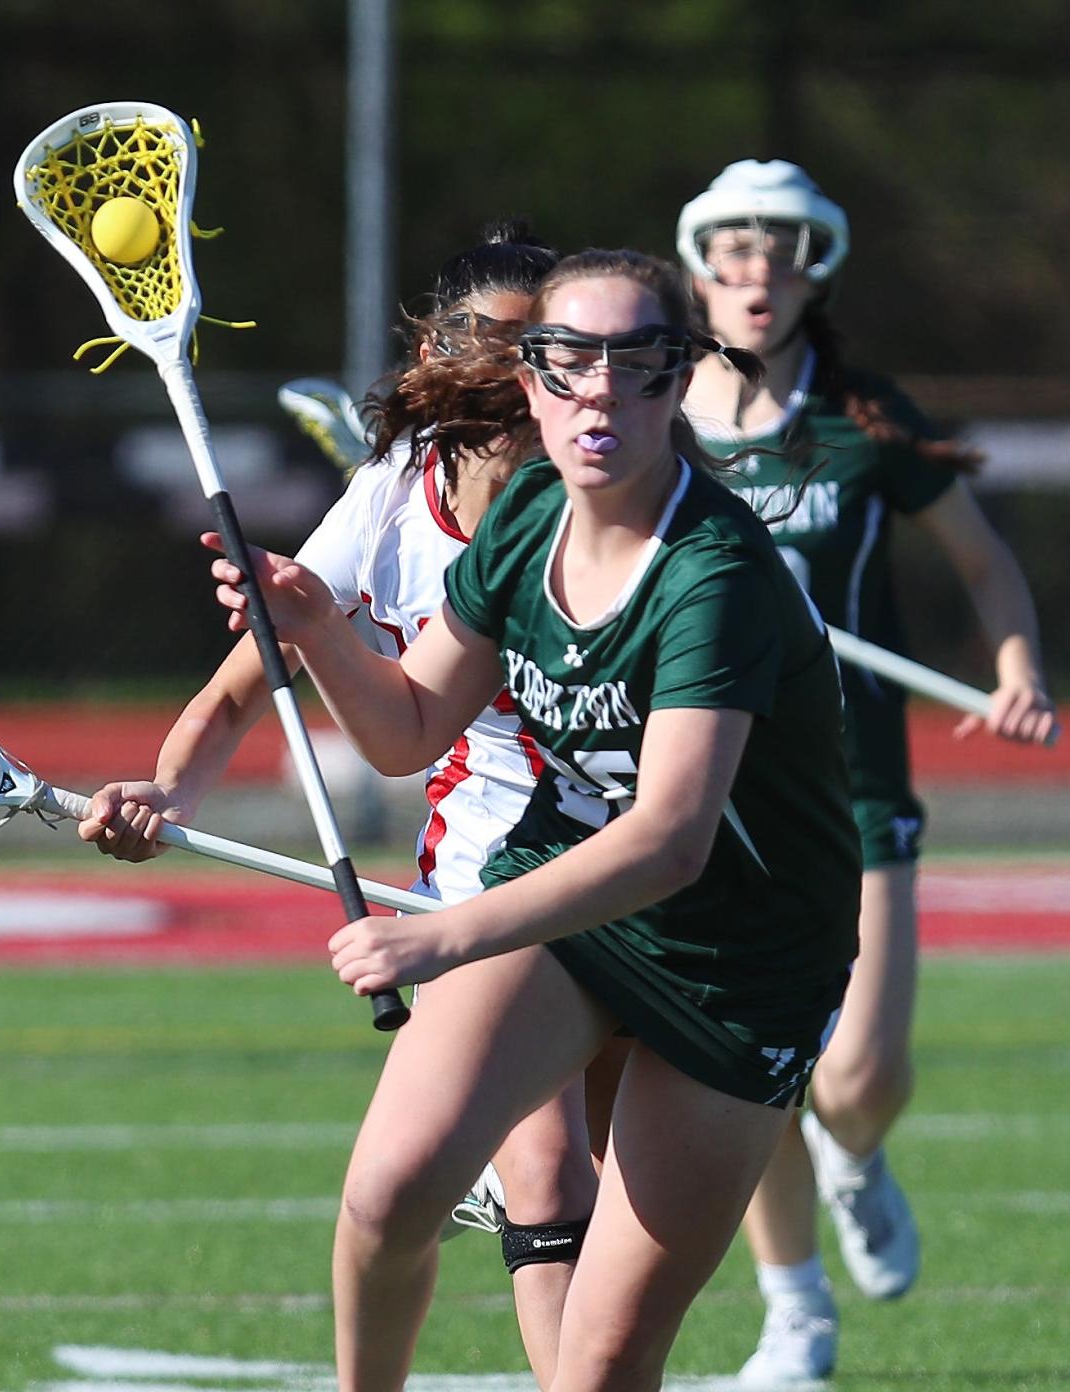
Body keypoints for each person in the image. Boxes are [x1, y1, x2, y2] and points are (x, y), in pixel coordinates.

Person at [206, 248, 863, 1391]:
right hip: (571, 900)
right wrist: (316, 628)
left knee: (600, 1368)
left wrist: (443, 935)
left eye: (637, 364)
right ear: (531, 381)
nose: (599, 392)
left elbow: (669, 840)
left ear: (678, 381)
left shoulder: (716, 575)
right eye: (568, 364)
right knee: (390, 1191)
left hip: (741, 963)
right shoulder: (530, 522)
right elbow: (409, 727)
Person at [79, 221, 612, 1389]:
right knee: (538, 1176)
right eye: (503, 348)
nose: (530, 382)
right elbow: (240, 696)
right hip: (495, 865)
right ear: (443, 347)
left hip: (641, 868)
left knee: (605, 1194)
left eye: (555, 353)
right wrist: (163, 789)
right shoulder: (391, 499)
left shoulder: (611, 488)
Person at [676, 158, 1059, 1384]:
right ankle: (797, 1314)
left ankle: (860, 1156)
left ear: (811, 273)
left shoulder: (863, 420)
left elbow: (988, 564)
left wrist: (1017, 670)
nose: (755, 275)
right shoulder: (654, 423)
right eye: (733, 253)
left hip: (856, 784)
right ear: (701, 271)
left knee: (858, 1079)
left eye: (777, 253)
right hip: (701, 795)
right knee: (750, 1068)